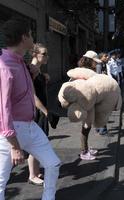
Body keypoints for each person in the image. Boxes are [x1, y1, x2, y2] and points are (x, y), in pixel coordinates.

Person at [0, 19, 61, 200]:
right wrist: (14, 146)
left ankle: (48, 197)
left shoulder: (21, 62)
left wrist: (33, 72)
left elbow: (25, 93)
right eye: (31, 34)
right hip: (10, 132)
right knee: (1, 180)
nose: (33, 38)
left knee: (53, 164)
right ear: (24, 37)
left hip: (29, 125)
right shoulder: (4, 66)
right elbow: (3, 109)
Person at [27, 43, 60, 186]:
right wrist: (46, 112)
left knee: (40, 141)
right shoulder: (31, 70)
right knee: (35, 143)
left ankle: (36, 171)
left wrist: (43, 76)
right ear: (35, 55)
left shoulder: (38, 70)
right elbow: (32, 96)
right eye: (44, 53)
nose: (47, 56)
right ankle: (32, 175)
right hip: (36, 112)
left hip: (40, 111)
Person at [77, 50, 101, 160]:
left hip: (89, 101)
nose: (96, 64)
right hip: (85, 102)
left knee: (87, 126)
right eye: (95, 62)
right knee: (86, 127)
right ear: (89, 61)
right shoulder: (83, 72)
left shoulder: (89, 71)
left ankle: (86, 148)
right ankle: (84, 152)